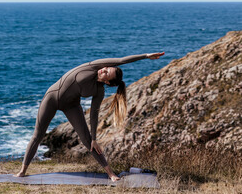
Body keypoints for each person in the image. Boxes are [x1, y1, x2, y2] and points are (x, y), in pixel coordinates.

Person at [14, 52, 165, 181]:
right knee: (38, 135)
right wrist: (146, 56)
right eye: (106, 68)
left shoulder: (99, 91)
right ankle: (22, 171)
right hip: (52, 98)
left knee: (88, 141)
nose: (103, 70)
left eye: (107, 73)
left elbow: (94, 114)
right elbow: (121, 61)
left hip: (71, 105)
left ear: (107, 82)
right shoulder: (94, 66)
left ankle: (110, 173)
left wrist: (94, 138)